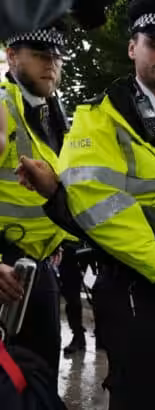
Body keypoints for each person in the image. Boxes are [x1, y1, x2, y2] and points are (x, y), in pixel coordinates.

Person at [20, 0, 155, 408]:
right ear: (132, 48)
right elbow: (98, 203)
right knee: (143, 395)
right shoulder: (100, 117)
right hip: (134, 286)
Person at [0, 20, 73, 391]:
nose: (52, 65)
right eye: (41, 55)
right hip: (7, 268)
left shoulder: (53, 115)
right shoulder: (3, 104)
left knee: (38, 378)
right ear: (11, 56)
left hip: (39, 267)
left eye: (57, 57)